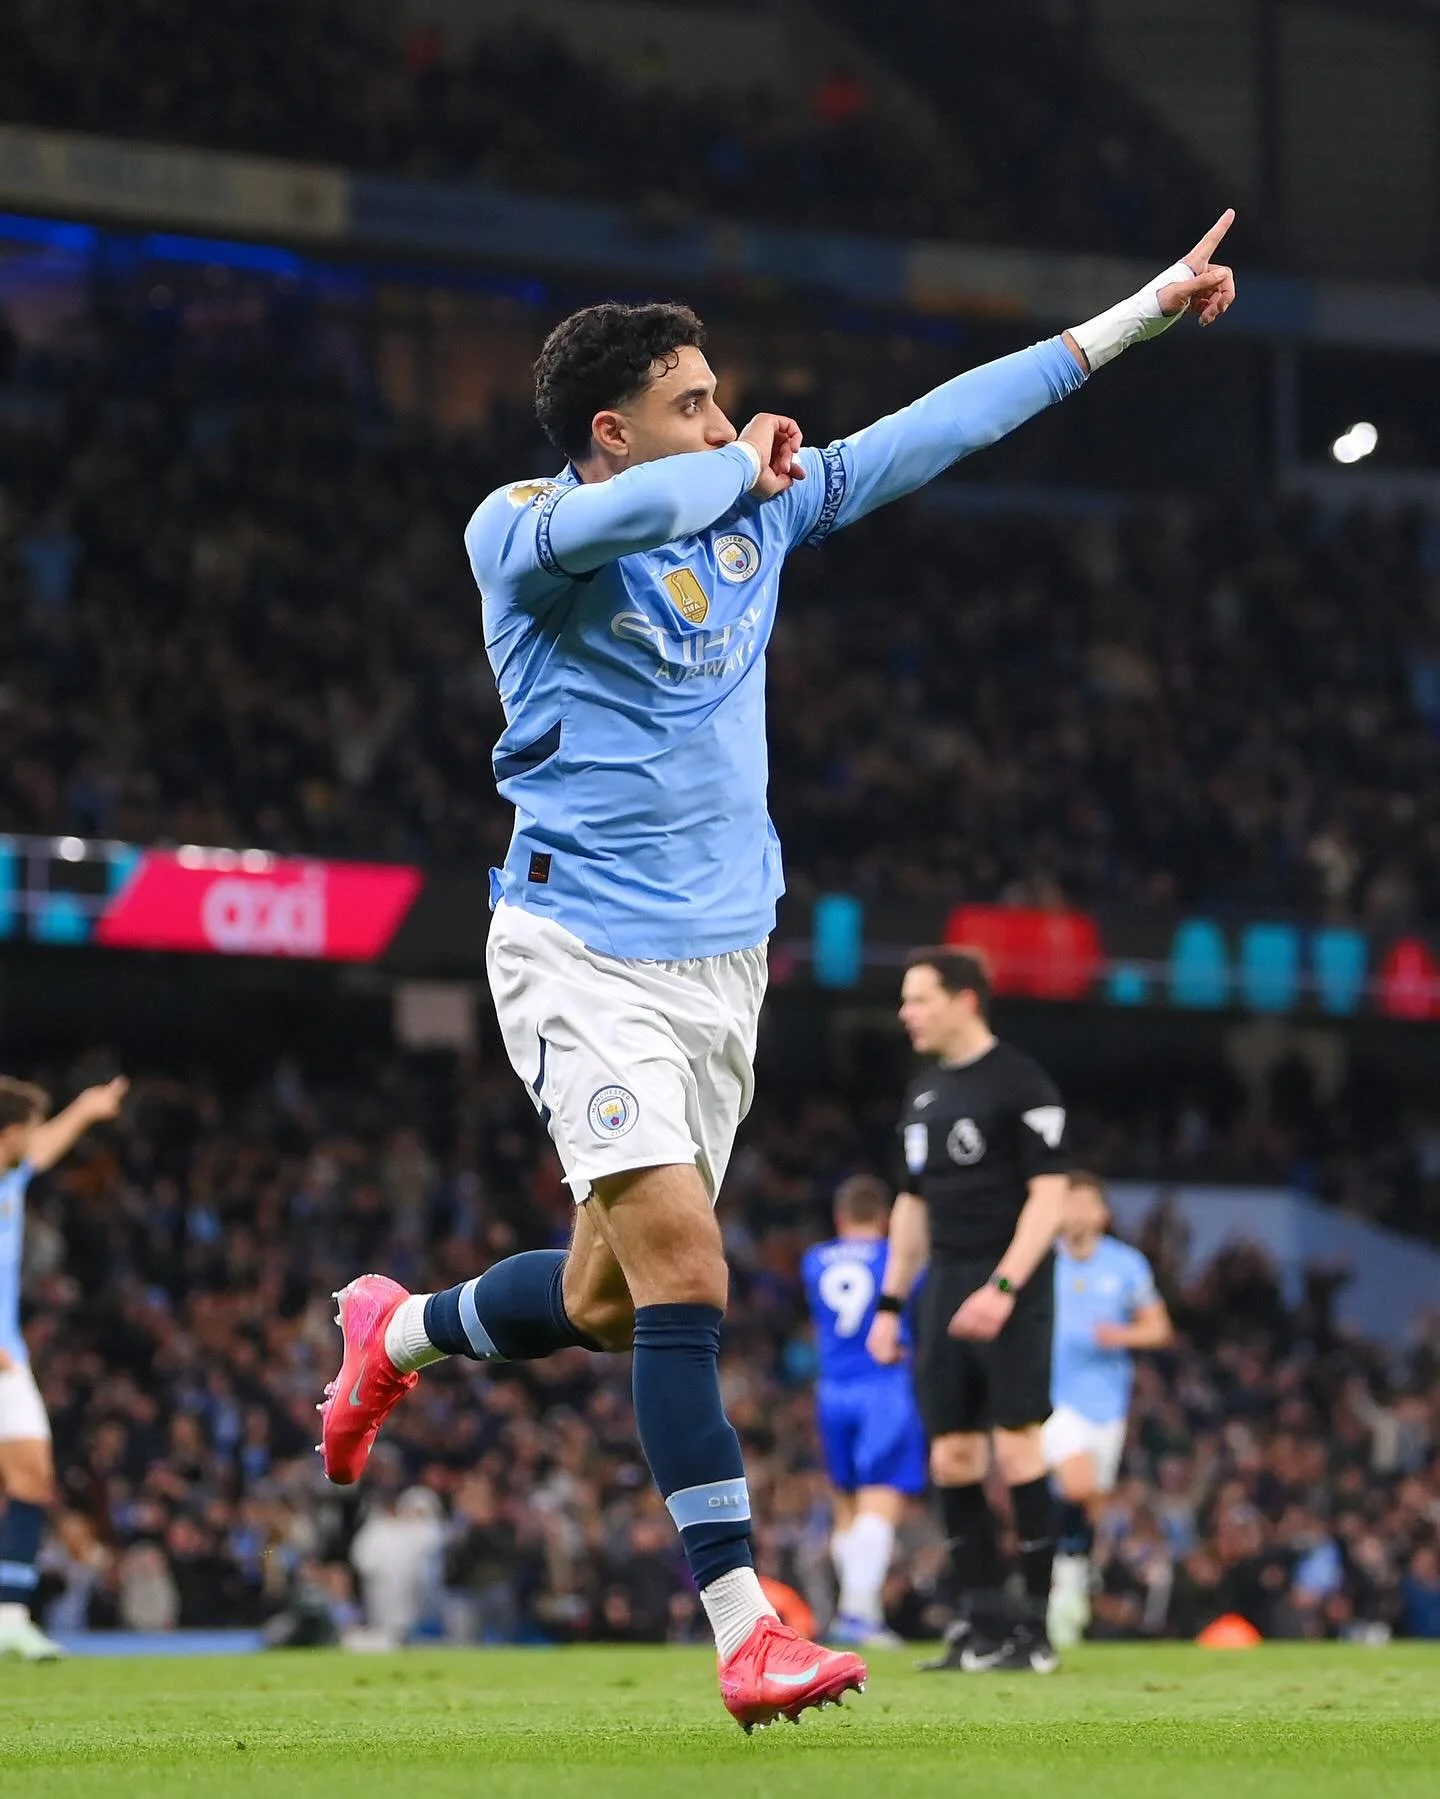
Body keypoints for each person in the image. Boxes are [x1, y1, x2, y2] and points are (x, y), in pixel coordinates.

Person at [317, 216, 1237, 1728]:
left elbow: (947, 422)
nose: (729, 416)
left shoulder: (759, 513)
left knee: (615, 1303)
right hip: (575, 947)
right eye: (693, 399)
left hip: (721, 966)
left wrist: (1137, 312)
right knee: (690, 1271)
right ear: (612, 431)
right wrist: (732, 460)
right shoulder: (520, 530)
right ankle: (748, 1628)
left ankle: (399, 1327)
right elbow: (665, 497)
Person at [869, 948, 1070, 1673]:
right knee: (951, 1453)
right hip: (945, 1283)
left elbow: (1050, 1196)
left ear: (965, 1000)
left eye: (918, 998)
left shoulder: (1021, 1081)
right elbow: (911, 1203)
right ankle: (981, 1623)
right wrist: (891, 1301)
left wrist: (1006, 1287)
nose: (905, 1012)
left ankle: (1036, 1630)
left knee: (1017, 1446)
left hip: (1010, 1281)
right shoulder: (923, 1094)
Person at [0, 1073, 128, 1659]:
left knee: (33, 1478)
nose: (33, 1140)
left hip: (9, 1357)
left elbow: (46, 1147)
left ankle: (10, 1615)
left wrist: (85, 1107)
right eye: (26, 1129)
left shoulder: (12, 1173)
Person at [1045, 1171, 1172, 1647]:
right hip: (1055, 1399)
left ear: (1102, 1213)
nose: (1073, 1212)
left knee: (1087, 1502)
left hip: (1108, 1405)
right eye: (1067, 1202)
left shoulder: (1126, 1265)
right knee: (1077, 1485)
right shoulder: (1042, 1261)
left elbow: (1159, 1329)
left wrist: (1119, 1335)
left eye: (1082, 1203)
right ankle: (1070, 1582)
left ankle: (1071, 1583)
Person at [802, 1174, 927, 1647]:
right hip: (884, 1386)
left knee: (847, 1507)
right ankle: (856, 1614)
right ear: (885, 1218)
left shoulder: (814, 1260)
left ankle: (861, 1612)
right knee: (882, 1501)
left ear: (840, 1217)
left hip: (833, 1390)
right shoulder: (898, 1258)